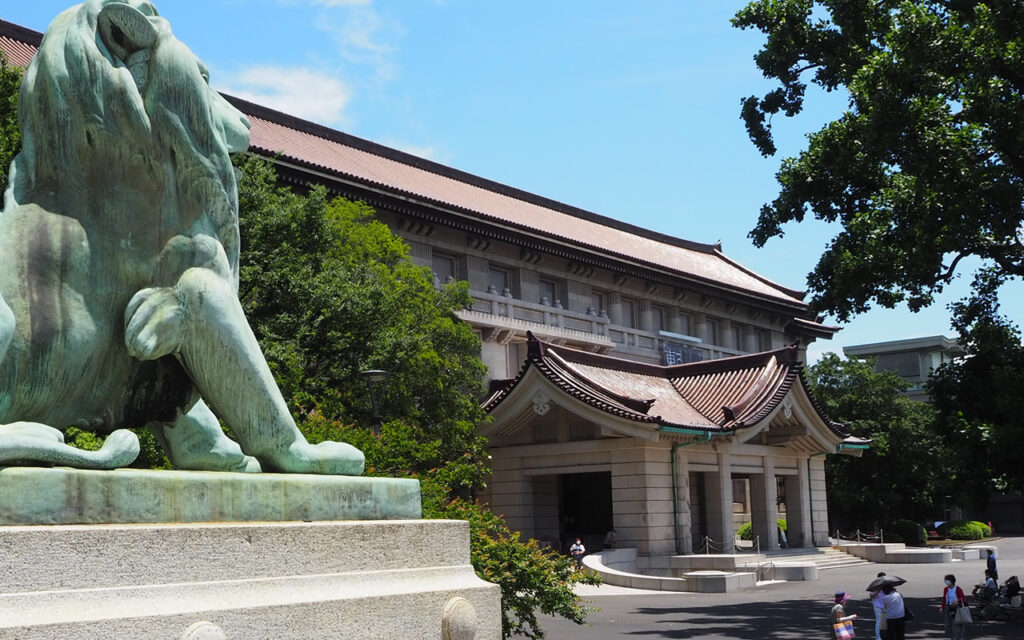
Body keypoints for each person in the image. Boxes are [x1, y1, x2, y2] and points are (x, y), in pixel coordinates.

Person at [940, 573, 968, 640]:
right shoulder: (946, 589)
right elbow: (944, 599)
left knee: (957, 624)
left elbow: (962, 598)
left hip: (957, 608)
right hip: (948, 607)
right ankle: (952, 637)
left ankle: (958, 637)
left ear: (951, 581)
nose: (946, 582)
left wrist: (957, 601)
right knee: (947, 625)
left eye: (947, 580)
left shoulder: (958, 589)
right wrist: (942, 607)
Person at [869, 572, 887, 640]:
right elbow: (871, 596)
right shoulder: (874, 586)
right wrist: (878, 590)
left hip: (885, 605)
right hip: (877, 606)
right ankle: (878, 637)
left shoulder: (887, 585)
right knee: (879, 621)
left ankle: (885, 635)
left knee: (886, 621)